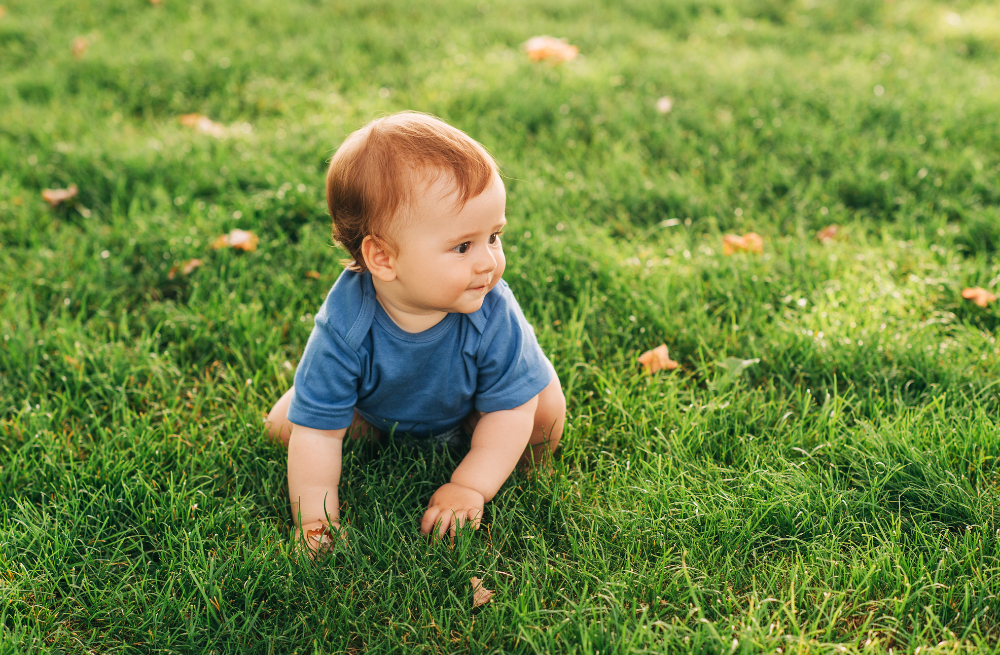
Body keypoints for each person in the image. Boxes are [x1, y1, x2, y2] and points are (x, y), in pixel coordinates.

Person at [265, 111, 566, 555]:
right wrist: (315, 521)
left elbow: (511, 411)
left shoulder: (492, 309)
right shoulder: (345, 324)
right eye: (463, 246)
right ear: (383, 259)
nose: (487, 262)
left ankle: (483, 453)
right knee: (289, 425)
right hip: (378, 410)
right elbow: (317, 433)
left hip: (474, 410)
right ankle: (375, 430)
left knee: (544, 411)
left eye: (494, 237)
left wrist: (470, 486)